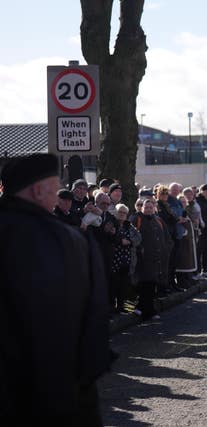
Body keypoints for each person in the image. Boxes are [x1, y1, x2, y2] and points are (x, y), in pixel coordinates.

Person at [0, 153, 111, 425]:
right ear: (39, 190)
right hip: (61, 391)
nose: (58, 198)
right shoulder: (72, 240)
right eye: (54, 190)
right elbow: (95, 320)